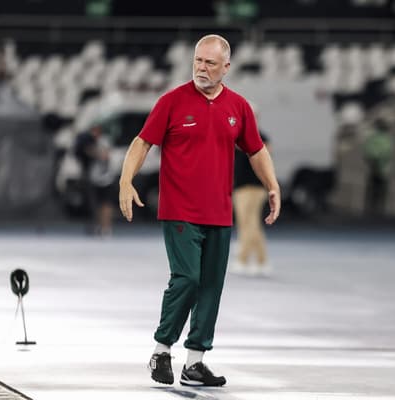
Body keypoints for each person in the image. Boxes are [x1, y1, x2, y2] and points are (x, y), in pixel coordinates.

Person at [118, 34, 281, 387]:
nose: (201, 68)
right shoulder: (172, 102)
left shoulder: (238, 108)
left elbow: (256, 150)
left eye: (209, 63)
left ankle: (195, 362)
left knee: (211, 286)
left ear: (226, 67)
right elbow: (142, 142)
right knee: (187, 279)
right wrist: (125, 180)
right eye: (197, 60)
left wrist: (272, 185)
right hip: (179, 210)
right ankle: (161, 350)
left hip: (220, 212)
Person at [231, 131, 272, 276]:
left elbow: (264, 155)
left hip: (254, 186)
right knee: (247, 224)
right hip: (240, 187)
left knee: (250, 223)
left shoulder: (261, 137)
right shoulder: (234, 135)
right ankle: (261, 261)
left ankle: (243, 258)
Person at [74, 124, 116, 236]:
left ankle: (106, 228)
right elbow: (82, 153)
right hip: (94, 178)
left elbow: (104, 155)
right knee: (95, 204)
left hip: (106, 178)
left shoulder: (104, 141)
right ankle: (99, 226)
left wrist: (92, 151)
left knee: (106, 204)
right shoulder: (89, 141)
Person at [363, 119, 393, 216]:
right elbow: (387, 153)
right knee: (380, 194)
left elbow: (367, 152)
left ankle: (370, 212)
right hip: (382, 170)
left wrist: (372, 159)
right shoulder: (387, 139)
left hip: (374, 168)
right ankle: (378, 213)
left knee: (372, 193)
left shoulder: (374, 138)